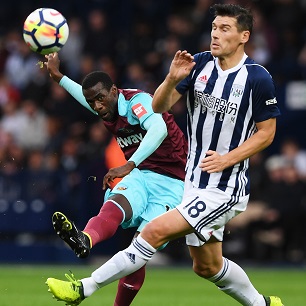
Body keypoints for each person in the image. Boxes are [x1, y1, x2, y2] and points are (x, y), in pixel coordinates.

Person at [46, 4, 284, 306]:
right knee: (207, 266)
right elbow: (159, 107)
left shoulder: (257, 78)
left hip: (224, 187)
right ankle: (263, 304)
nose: (215, 34)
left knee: (153, 231)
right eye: (213, 27)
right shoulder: (198, 65)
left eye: (225, 29)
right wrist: (171, 79)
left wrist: (228, 158)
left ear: (243, 36)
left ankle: (84, 287)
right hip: (193, 183)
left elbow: (267, 133)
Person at [45, 52, 187, 306]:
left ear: (113, 91)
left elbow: (159, 128)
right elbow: (84, 95)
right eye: (93, 102)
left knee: (139, 250)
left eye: (101, 98)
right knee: (118, 199)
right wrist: (59, 78)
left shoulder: (136, 102)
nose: (97, 106)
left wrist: (128, 164)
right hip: (141, 175)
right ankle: (85, 238)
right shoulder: (104, 106)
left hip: (173, 182)